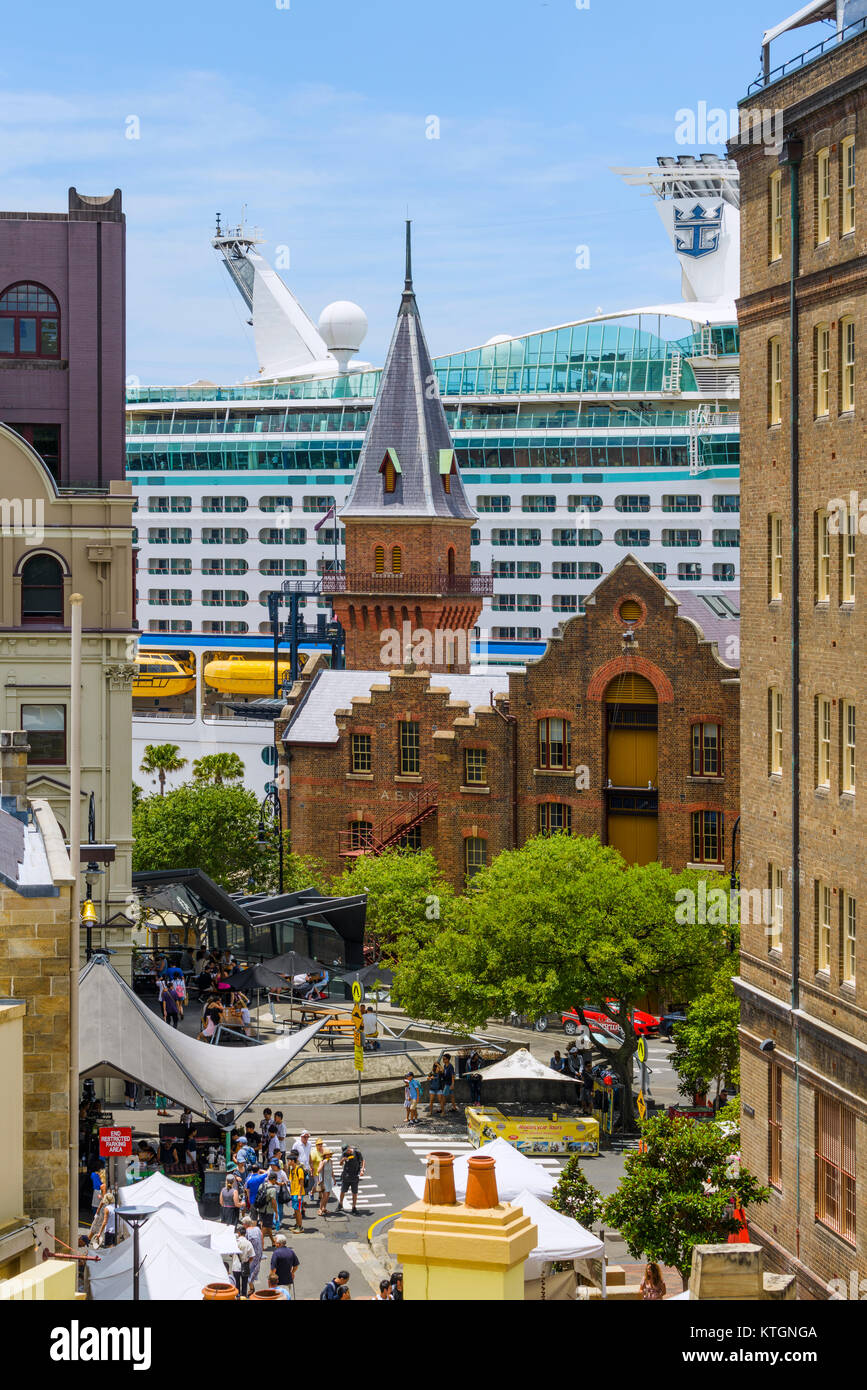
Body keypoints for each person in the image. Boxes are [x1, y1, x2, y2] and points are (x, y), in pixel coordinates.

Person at [336, 1144, 364, 1214]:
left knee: (354, 1192)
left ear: (349, 1148)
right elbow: (340, 1164)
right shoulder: (344, 1154)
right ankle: (340, 1204)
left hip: (354, 1176)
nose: (346, 1153)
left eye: (347, 1151)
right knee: (343, 1191)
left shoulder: (357, 1152)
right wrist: (342, 1160)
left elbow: (363, 1160)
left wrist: (362, 1170)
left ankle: (354, 1207)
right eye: (345, 1152)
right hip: (346, 1176)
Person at [255, 1171, 280, 1250]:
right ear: (273, 1179)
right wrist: (276, 1212)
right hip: (268, 1211)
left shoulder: (261, 1185)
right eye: (275, 1180)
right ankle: (260, 1246)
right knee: (264, 1229)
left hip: (261, 1209)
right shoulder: (272, 1189)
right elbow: (273, 1202)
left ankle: (273, 1241)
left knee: (268, 1226)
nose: (276, 1182)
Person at [233, 1225, 255, 1299]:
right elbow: (252, 1255)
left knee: (237, 1284)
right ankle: (244, 1297)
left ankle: (237, 1297)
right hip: (245, 1266)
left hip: (236, 1266)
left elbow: (231, 1254)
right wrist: (247, 1262)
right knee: (244, 1284)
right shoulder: (248, 1243)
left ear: (238, 1233)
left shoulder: (235, 1242)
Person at [243, 1215, 264, 1289]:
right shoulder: (257, 1229)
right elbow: (262, 1239)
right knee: (255, 1269)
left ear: (245, 1224)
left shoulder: (247, 1232)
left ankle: (251, 1287)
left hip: (252, 1255)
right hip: (259, 1253)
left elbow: (246, 1244)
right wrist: (262, 1250)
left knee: (249, 1271)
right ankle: (251, 1286)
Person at [286, 1153, 306, 1231]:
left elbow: (301, 1183)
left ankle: (300, 1227)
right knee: (295, 1210)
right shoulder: (292, 1169)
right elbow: (290, 1181)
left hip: (298, 1193)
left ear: (293, 1161)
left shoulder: (299, 1169)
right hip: (293, 1193)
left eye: (289, 1161)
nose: (288, 1162)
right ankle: (297, 1225)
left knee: (298, 1211)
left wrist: (299, 1195)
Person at [317, 1146, 334, 1218]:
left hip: (329, 1179)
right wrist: (323, 1163)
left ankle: (324, 1208)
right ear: (324, 1155)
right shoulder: (322, 1162)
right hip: (324, 1181)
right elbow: (318, 1171)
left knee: (328, 1195)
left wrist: (334, 1179)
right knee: (325, 1196)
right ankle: (320, 1209)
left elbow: (332, 1171)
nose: (328, 1156)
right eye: (327, 1154)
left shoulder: (331, 1161)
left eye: (329, 1154)